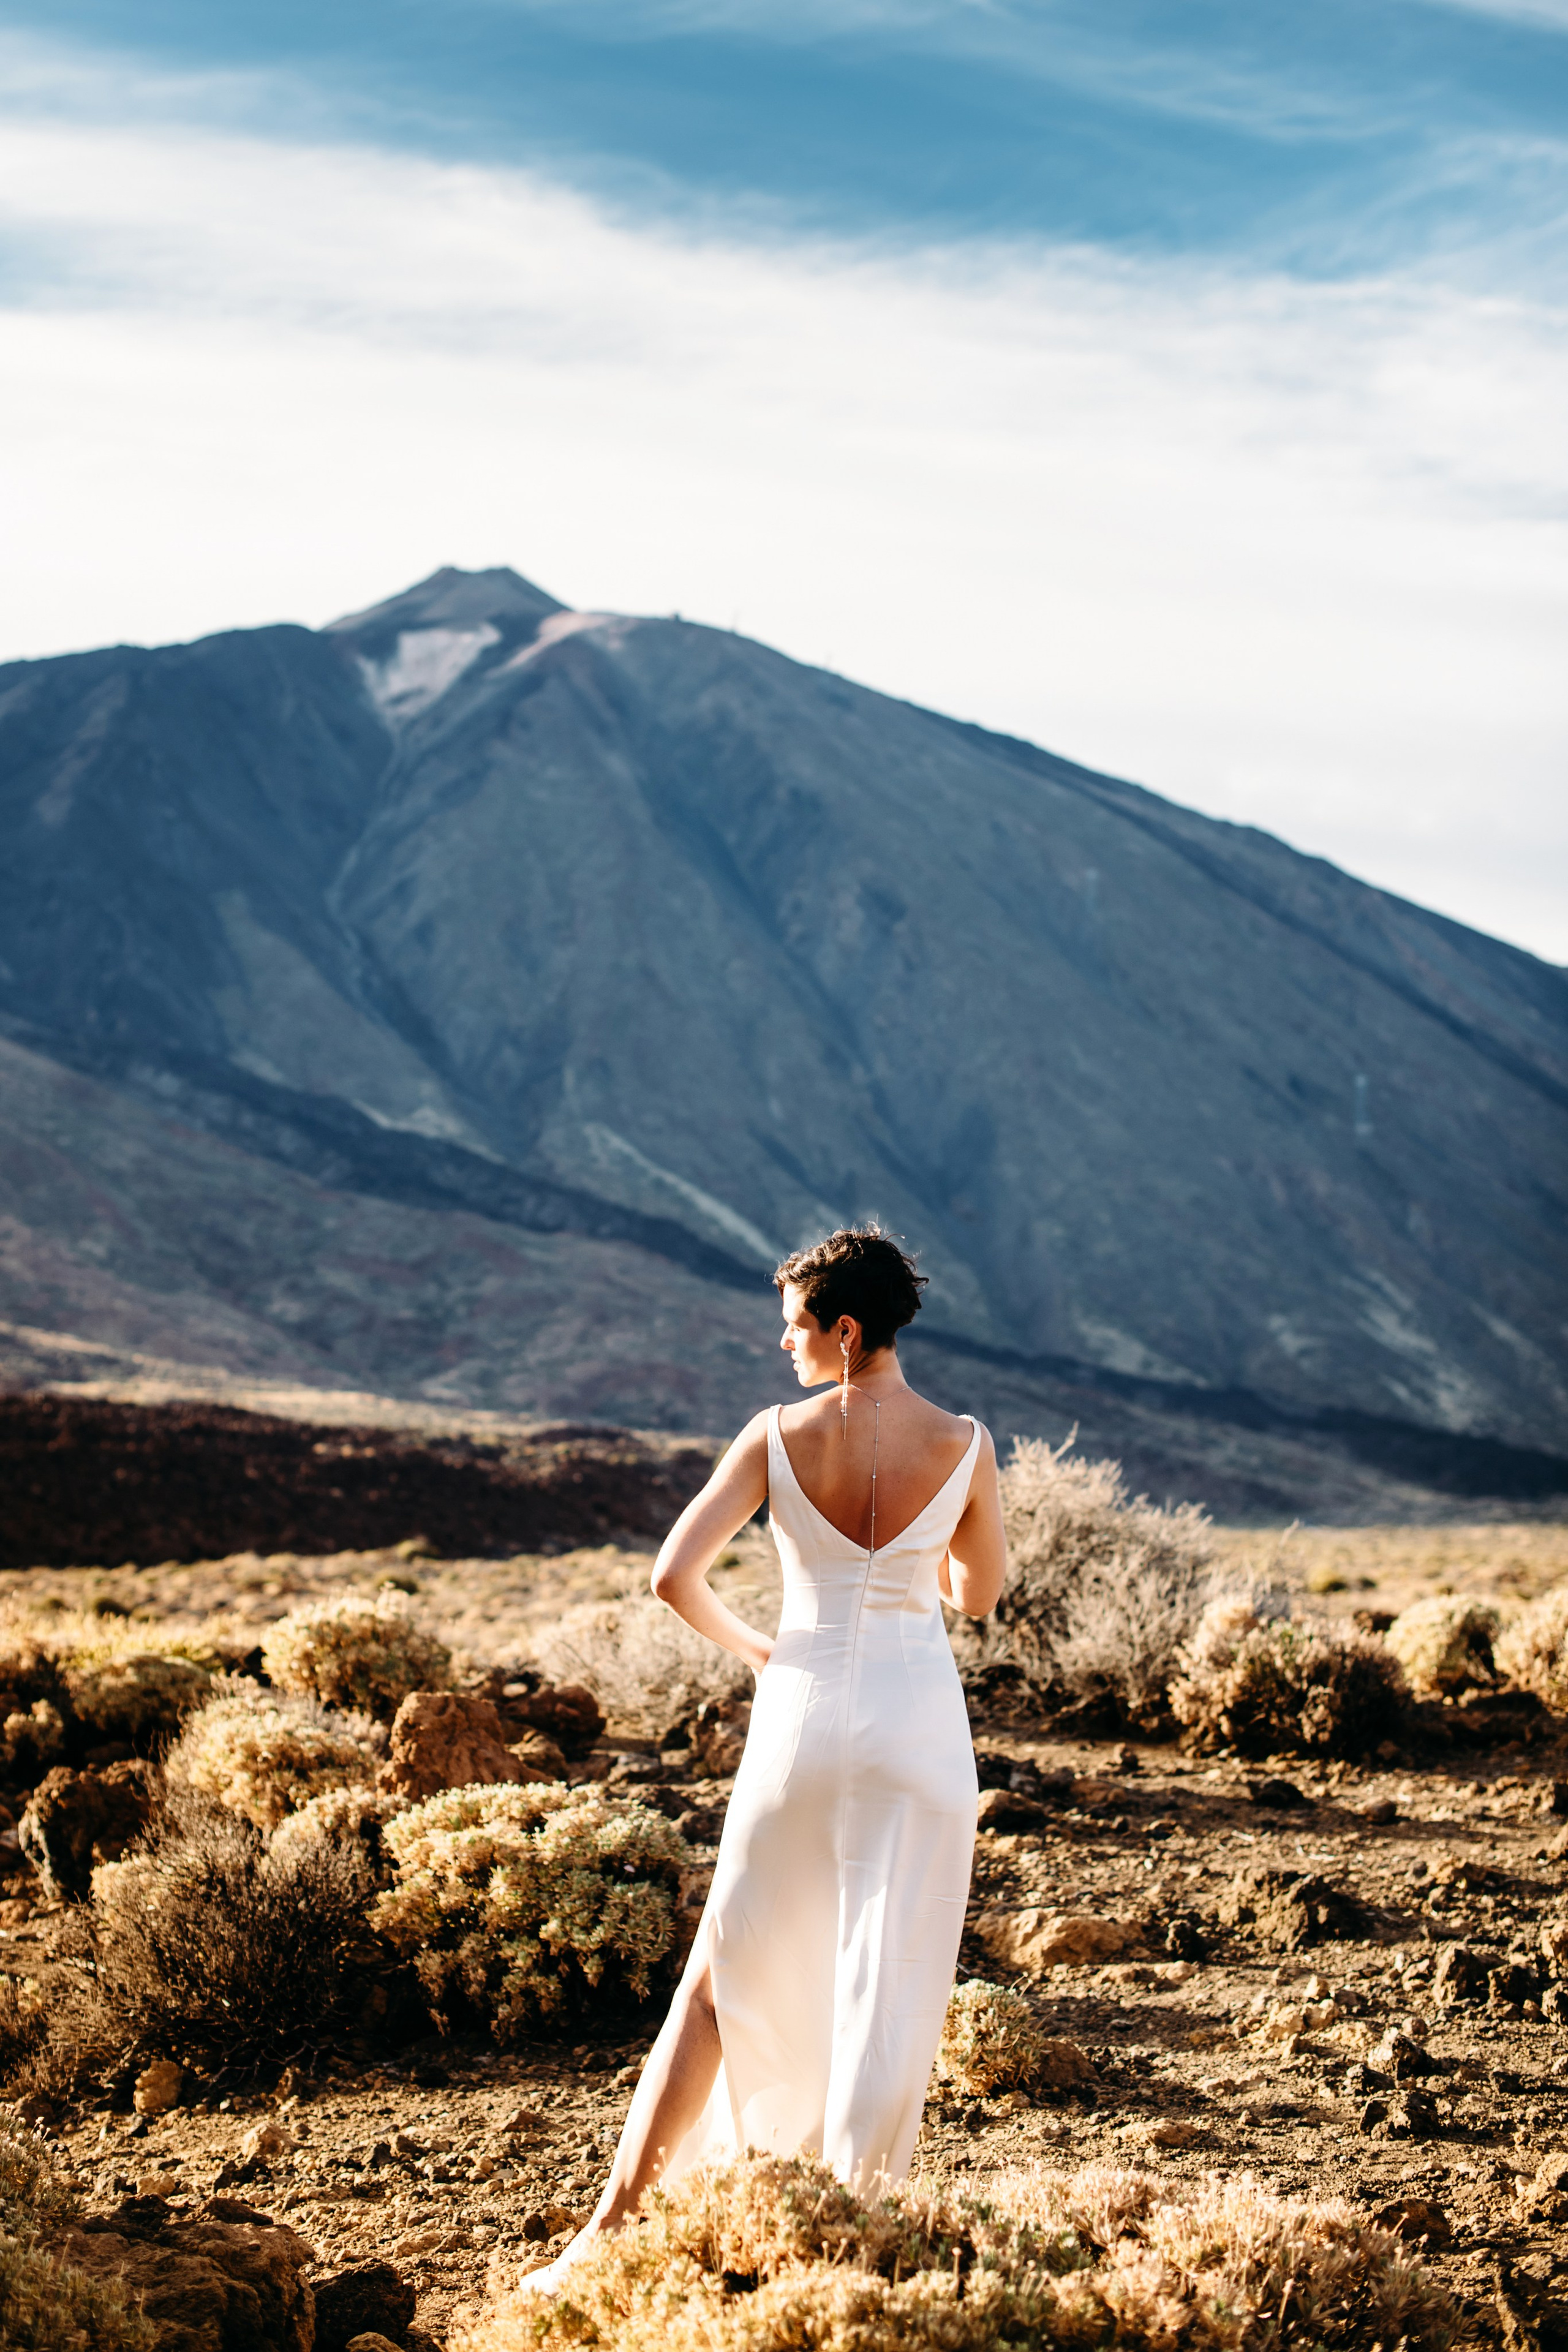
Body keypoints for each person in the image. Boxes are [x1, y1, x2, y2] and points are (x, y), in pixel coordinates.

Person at [529, 1224, 1005, 2285]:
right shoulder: (964, 1443)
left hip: (802, 1718)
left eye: (794, 1324)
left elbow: (672, 1578)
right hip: (919, 1733)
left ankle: (605, 2238)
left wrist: (765, 1652)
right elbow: (980, 1593)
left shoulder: (774, 1438)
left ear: (845, 1329)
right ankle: (848, 2246)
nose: (780, 1343)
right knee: (889, 1990)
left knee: (714, 1982)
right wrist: (916, 1566)